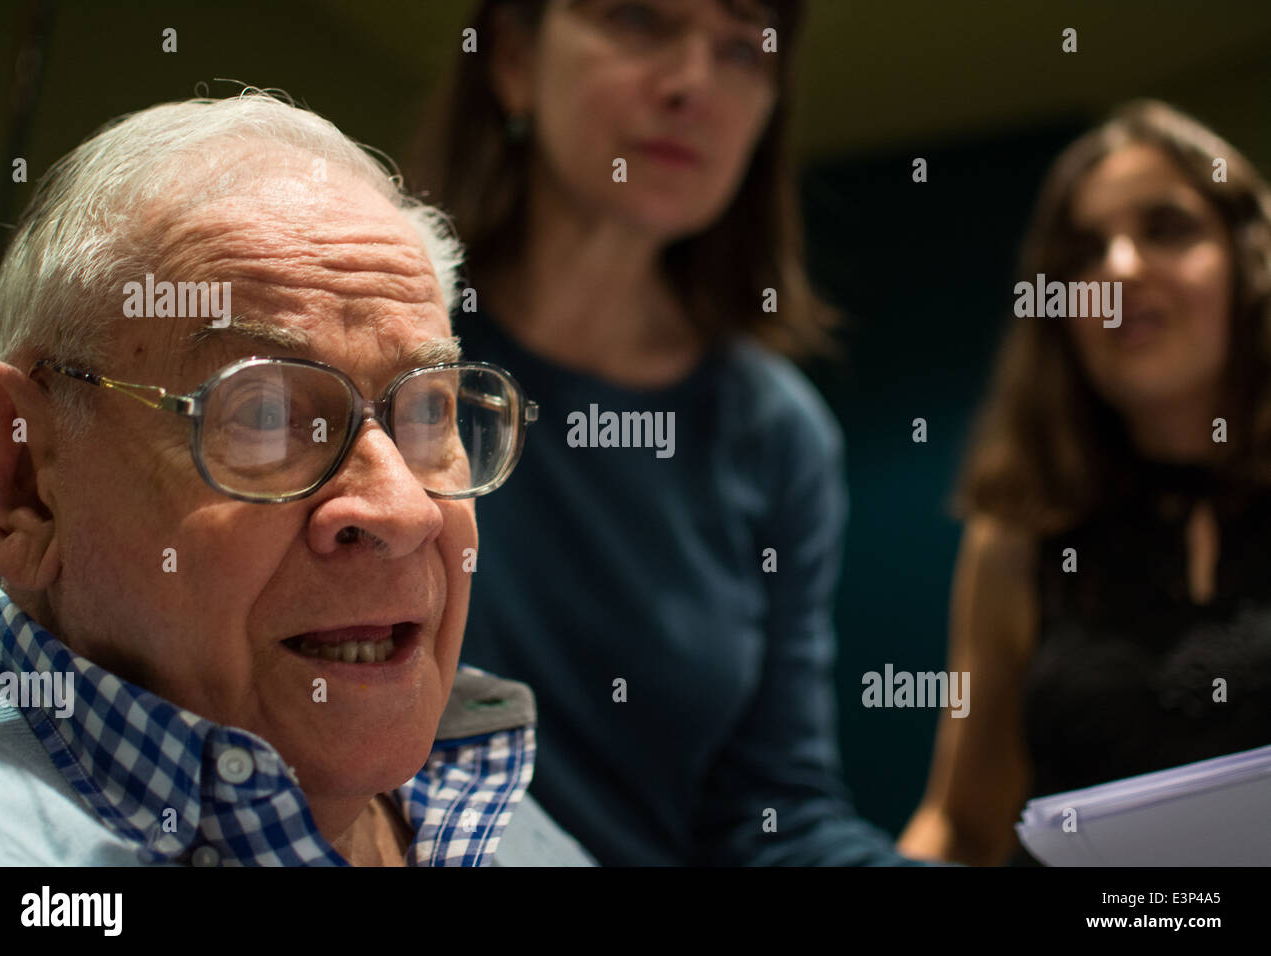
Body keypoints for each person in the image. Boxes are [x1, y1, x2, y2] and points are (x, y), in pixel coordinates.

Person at [0, 90, 592, 866]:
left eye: (429, 413)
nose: (404, 510)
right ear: (24, 476)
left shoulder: (495, 803)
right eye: (263, 415)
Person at [408, 0, 912, 864]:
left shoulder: (778, 434)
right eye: (639, 20)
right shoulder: (378, 342)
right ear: (514, 59)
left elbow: (774, 816)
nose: (693, 84)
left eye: (743, 48)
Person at [897, 100, 1271, 865]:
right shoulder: (1019, 536)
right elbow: (962, 824)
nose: (1121, 270)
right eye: (1084, 252)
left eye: (1167, 228)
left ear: (1251, 259)